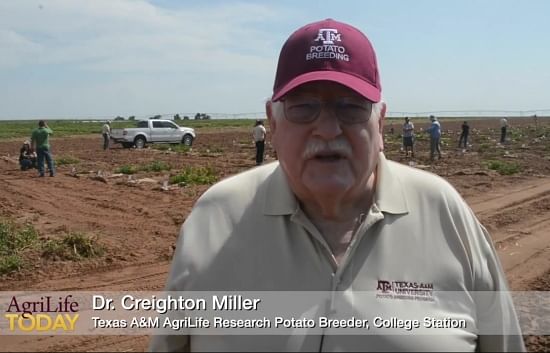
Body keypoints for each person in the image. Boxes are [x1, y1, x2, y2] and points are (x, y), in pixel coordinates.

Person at [150, 19, 524, 352]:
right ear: (273, 122)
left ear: (380, 123)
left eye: (351, 107)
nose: (328, 130)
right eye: (302, 107)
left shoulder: (446, 213)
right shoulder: (216, 217)